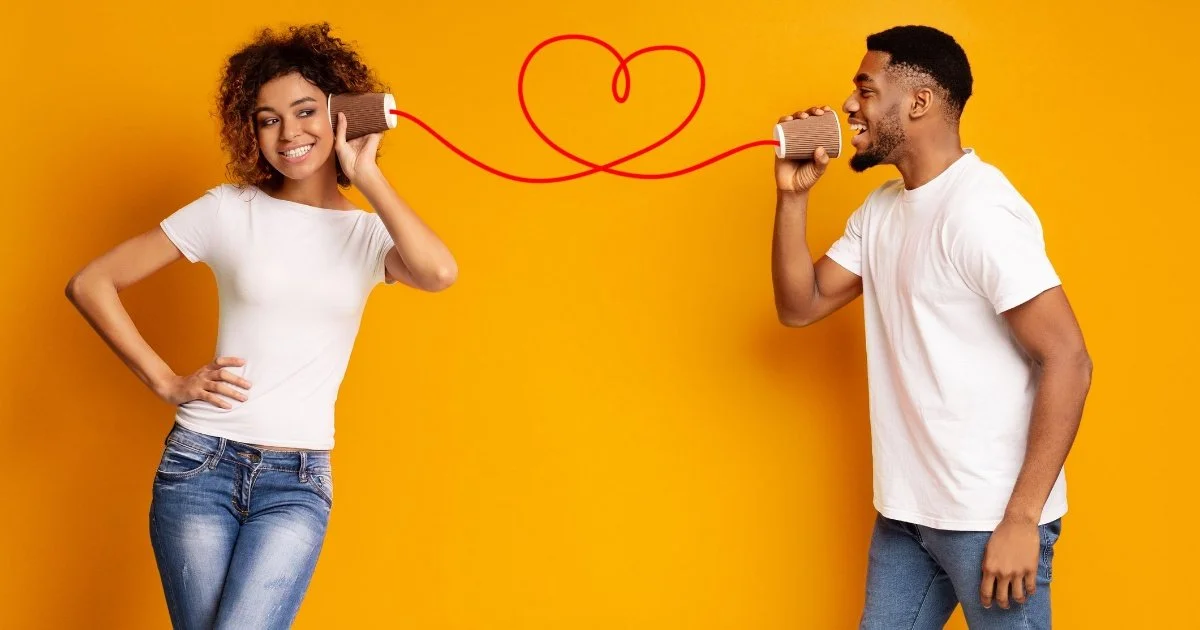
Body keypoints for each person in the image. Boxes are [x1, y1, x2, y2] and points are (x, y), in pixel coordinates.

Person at [65, 23, 457, 629]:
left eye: (305, 111)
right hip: (199, 465)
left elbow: (438, 273)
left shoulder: (366, 235)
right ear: (251, 131)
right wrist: (166, 381)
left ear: (340, 115)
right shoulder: (228, 210)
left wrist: (369, 174)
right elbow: (91, 282)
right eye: (268, 118)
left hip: (297, 481)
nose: (289, 132)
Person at [770, 25, 1092, 628]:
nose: (847, 106)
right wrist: (793, 198)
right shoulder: (883, 209)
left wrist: (1022, 520)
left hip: (988, 516)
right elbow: (801, 304)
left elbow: (1069, 359)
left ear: (918, 102)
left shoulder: (980, 212)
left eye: (865, 89)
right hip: (906, 516)